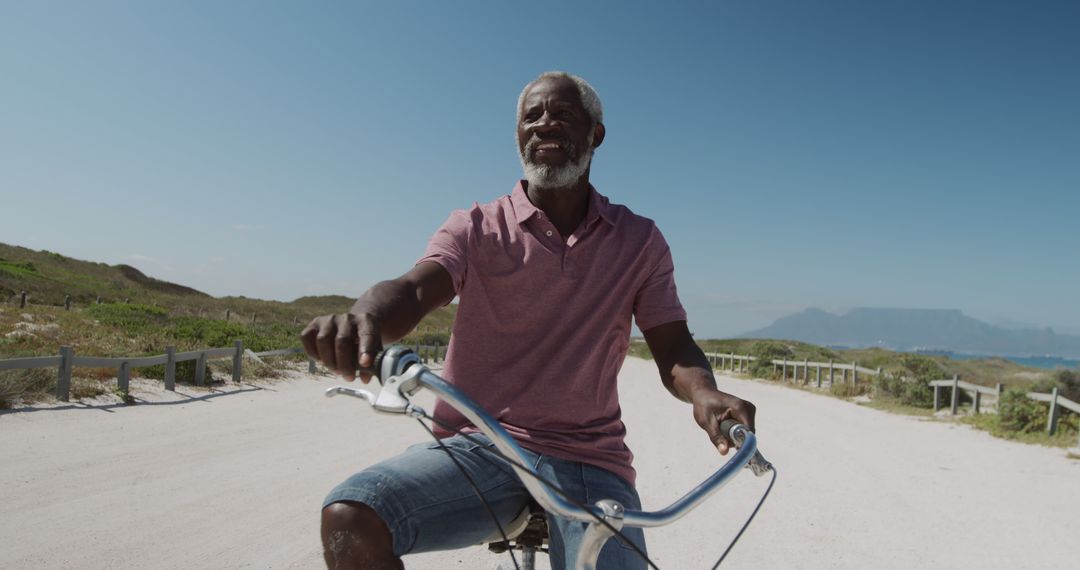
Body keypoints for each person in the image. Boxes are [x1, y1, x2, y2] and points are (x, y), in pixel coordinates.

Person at [301, 71, 757, 570]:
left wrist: (706, 393)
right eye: (531, 116)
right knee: (352, 516)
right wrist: (364, 315)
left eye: (561, 115)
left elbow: (672, 345)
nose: (544, 125)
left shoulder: (640, 241)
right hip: (479, 447)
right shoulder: (475, 227)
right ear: (518, 133)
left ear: (595, 135)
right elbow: (413, 289)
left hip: (589, 458)